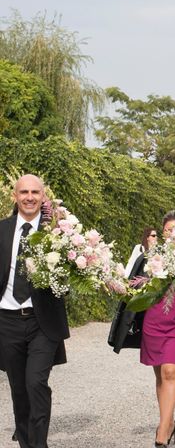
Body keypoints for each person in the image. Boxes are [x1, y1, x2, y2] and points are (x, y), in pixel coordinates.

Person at [109, 211, 175, 447]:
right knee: (159, 375)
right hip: (153, 324)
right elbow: (131, 288)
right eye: (168, 230)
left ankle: (162, 433)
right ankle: (169, 421)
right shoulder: (148, 259)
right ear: (162, 233)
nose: (172, 233)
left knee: (170, 372)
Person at [0, 174, 69, 448]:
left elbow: (74, 275)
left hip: (43, 323)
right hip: (6, 321)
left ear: (43, 197)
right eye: (24, 192)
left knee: (35, 383)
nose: (30, 197)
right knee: (18, 390)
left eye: (35, 192)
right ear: (15, 196)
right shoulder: (2, 230)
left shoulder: (61, 233)